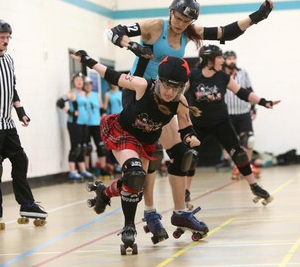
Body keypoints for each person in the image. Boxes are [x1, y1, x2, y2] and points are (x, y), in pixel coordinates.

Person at [105, 0, 274, 241]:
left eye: (186, 21)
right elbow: (113, 32)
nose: (181, 24)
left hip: (165, 96)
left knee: (182, 155)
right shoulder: (155, 26)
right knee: (149, 157)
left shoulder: (189, 32)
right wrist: (131, 45)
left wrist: (257, 17)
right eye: (179, 18)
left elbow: (226, 32)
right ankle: (150, 213)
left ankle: (180, 212)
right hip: (139, 95)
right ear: (171, 11)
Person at [71, 50, 208, 252]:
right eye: (167, 85)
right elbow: (112, 75)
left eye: (176, 88)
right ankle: (128, 227)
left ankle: (105, 192)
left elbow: (186, 126)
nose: (170, 92)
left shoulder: (180, 102)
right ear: (159, 80)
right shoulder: (143, 85)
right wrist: (87, 60)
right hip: (122, 133)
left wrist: (191, 137)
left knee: (135, 183)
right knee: (134, 174)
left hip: (146, 142)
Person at [0, 19, 47, 230]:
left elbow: (11, 89)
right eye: (2, 38)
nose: (6, 41)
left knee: (20, 160)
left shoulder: (9, 60)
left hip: (8, 124)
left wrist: (21, 112)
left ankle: (27, 204)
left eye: (8, 37)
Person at [185, 44, 280, 206]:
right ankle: (185, 192)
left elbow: (243, 93)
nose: (222, 60)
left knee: (239, 154)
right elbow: (179, 94)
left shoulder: (222, 76)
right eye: (219, 57)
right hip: (199, 124)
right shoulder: (193, 76)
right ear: (209, 60)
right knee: (191, 157)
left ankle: (254, 186)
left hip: (221, 122)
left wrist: (264, 102)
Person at [223, 50, 261, 179]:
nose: (232, 61)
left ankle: (248, 165)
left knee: (249, 140)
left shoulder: (243, 73)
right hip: (228, 114)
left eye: (234, 58)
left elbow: (249, 91)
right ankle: (237, 166)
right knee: (233, 143)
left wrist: (253, 108)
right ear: (224, 60)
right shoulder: (220, 74)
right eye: (229, 59)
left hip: (243, 112)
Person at [56, 73, 95, 182]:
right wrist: (70, 112)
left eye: (81, 80)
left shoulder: (84, 93)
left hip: (84, 123)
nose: (79, 82)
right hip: (74, 123)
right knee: (75, 146)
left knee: (83, 147)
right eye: (77, 80)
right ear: (74, 82)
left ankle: (82, 170)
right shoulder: (72, 93)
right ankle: (72, 171)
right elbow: (59, 102)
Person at [83, 77, 110, 178]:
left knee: (100, 146)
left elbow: (102, 109)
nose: (88, 86)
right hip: (85, 124)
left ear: (91, 85)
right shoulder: (82, 95)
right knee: (87, 147)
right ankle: (86, 168)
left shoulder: (96, 95)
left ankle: (102, 168)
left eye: (89, 84)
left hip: (96, 124)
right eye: (86, 84)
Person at [103, 84, 123, 177]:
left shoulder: (122, 93)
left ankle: (121, 163)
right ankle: (113, 164)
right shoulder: (108, 94)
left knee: (123, 142)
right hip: (113, 120)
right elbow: (105, 108)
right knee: (114, 143)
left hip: (122, 119)